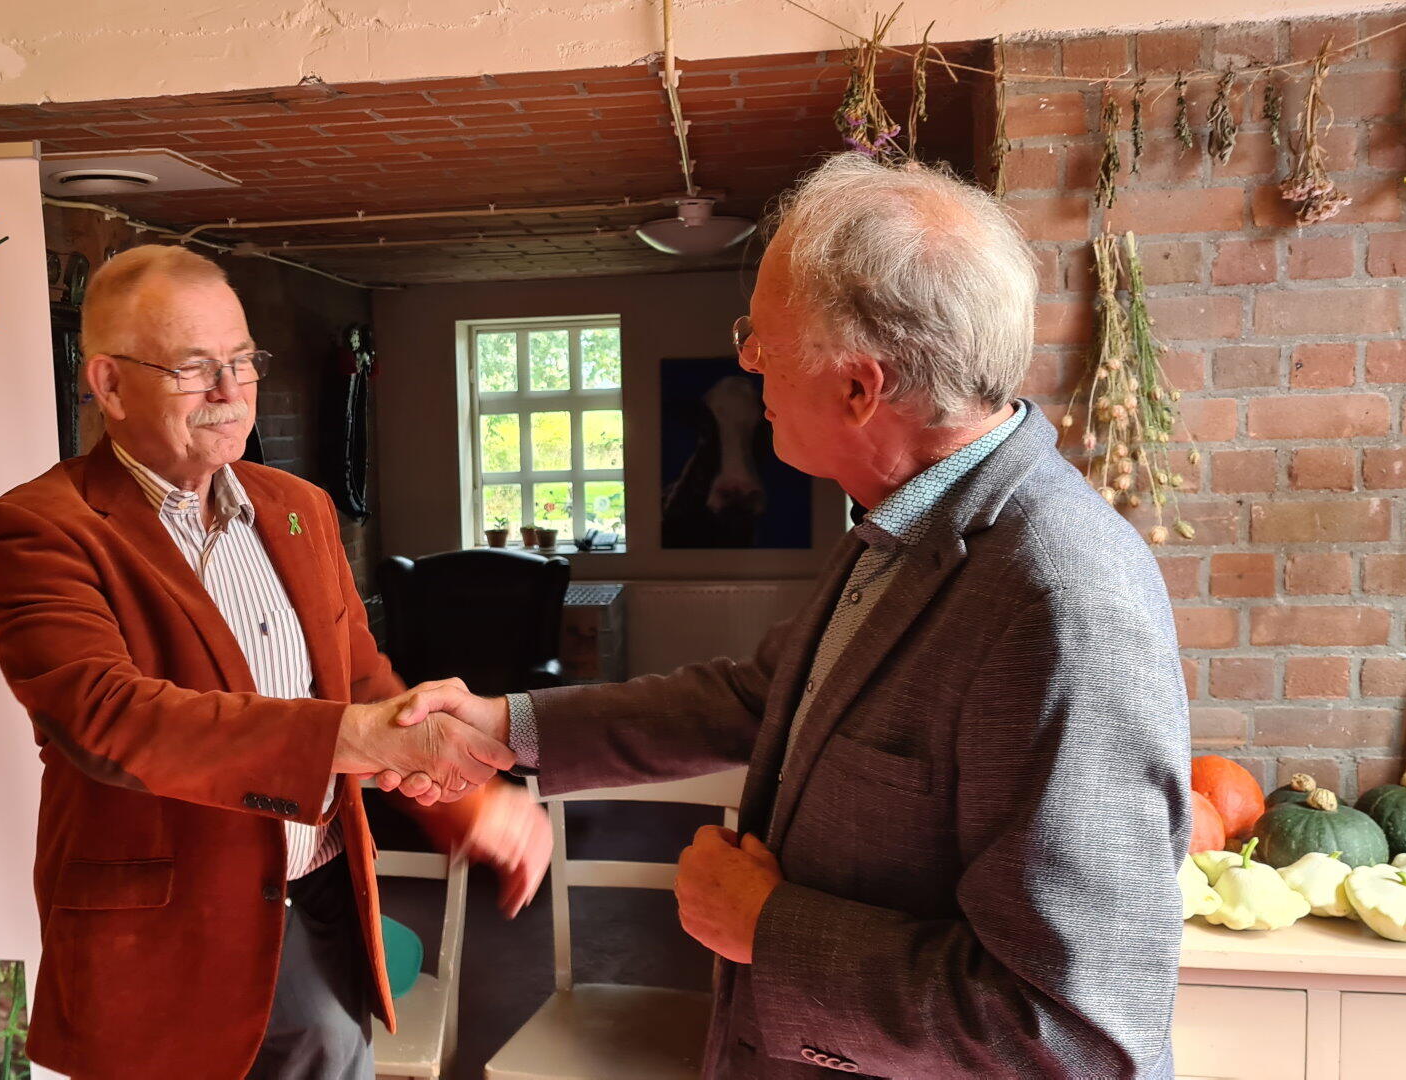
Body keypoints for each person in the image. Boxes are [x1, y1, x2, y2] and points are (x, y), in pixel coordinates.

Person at [388, 155, 1190, 1078]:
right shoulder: (907, 521)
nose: (745, 360)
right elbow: (763, 695)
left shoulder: (1061, 605)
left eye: (763, 336)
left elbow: (1076, 1034)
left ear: (860, 388)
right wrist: (507, 725)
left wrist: (772, 927)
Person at [0, 245, 552, 1079]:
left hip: (319, 900)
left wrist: (469, 804)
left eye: (242, 360)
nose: (231, 391)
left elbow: (357, 681)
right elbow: (109, 719)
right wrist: (365, 737)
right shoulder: (38, 528)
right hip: (168, 937)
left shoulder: (299, 510)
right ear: (108, 384)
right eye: (194, 367)